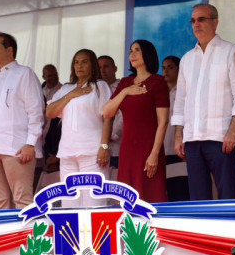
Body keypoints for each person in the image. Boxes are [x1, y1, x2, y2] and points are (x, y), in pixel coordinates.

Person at [173, 4, 235, 200]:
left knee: (227, 194)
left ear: (215, 22)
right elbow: (180, 100)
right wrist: (178, 135)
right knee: (198, 197)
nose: (196, 24)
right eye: (193, 21)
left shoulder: (231, 51)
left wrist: (233, 131)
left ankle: (226, 230)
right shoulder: (187, 59)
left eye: (201, 19)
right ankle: (201, 230)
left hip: (221, 137)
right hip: (192, 138)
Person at [0, 32, 44, 209]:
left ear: (10, 50)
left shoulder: (24, 73)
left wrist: (31, 143)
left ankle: (29, 237)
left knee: (22, 198)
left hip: (17, 147)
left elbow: (36, 111)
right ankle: (5, 238)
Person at [103, 40, 169, 203]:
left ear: (147, 53)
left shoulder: (157, 82)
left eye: (137, 50)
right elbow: (106, 112)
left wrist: (154, 153)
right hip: (127, 149)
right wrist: (125, 92)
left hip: (149, 148)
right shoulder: (125, 83)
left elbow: (163, 122)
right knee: (127, 194)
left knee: (150, 194)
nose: (132, 54)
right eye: (130, 51)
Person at [46, 49, 113, 207]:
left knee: (94, 201)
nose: (79, 66)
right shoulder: (66, 89)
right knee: (69, 203)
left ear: (92, 65)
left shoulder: (100, 86)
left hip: (92, 152)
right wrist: (72, 94)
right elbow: (50, 112)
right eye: (76, 62)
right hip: (67, 153)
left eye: (84, 62)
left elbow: (108, 116)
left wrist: (104, 146)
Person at [162, 56, 189, 201]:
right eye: (164, 67)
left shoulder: (185, 90)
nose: (166, 71)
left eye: (170, 67)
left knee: (181, 188)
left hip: (179, 148)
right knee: (166, 190)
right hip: (163, 148)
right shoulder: (161, 92)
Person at [99, 55, 123, 172]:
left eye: (106, 66)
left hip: (117, 147)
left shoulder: (122, 88)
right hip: (96, 148)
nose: (102, 70)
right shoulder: (95, 89)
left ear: (115, 68)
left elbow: (123, 116)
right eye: (99, 67)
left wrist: (108, 136)